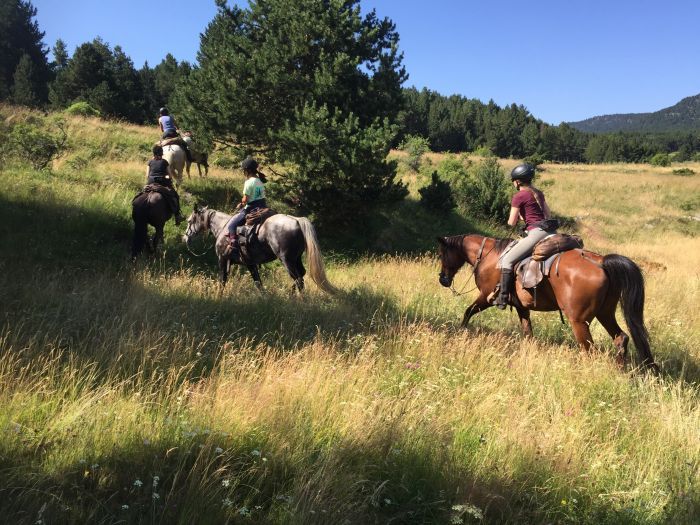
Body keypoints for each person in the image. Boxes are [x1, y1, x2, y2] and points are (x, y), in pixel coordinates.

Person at [495, 163, 557, 309]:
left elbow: (511, 222)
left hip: (536, 233)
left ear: (517, 181)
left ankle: (503, 298)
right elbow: (547, 215)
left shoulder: (519, 196)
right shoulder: (539, 193)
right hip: (551, 233)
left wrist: (521, 219)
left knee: (507, 261)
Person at [226, 158, 268, 259]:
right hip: (263, 207)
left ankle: (234, 247)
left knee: (231, 225)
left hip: (252, 208)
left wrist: (240, 204)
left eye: (243, 170)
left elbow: (245, 199)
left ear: (247, 170)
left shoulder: (249, 182)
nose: (243, 172)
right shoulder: (259, 181)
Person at [145, 145, 185, 225]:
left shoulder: (149, 162)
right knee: (175, 196)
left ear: (154, 153)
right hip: (163, 182)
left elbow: (147, 175)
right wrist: (165, 176)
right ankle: (177, 216)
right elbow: (170, 175)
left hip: (151, 182)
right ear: (162, 153)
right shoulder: (164, 162)